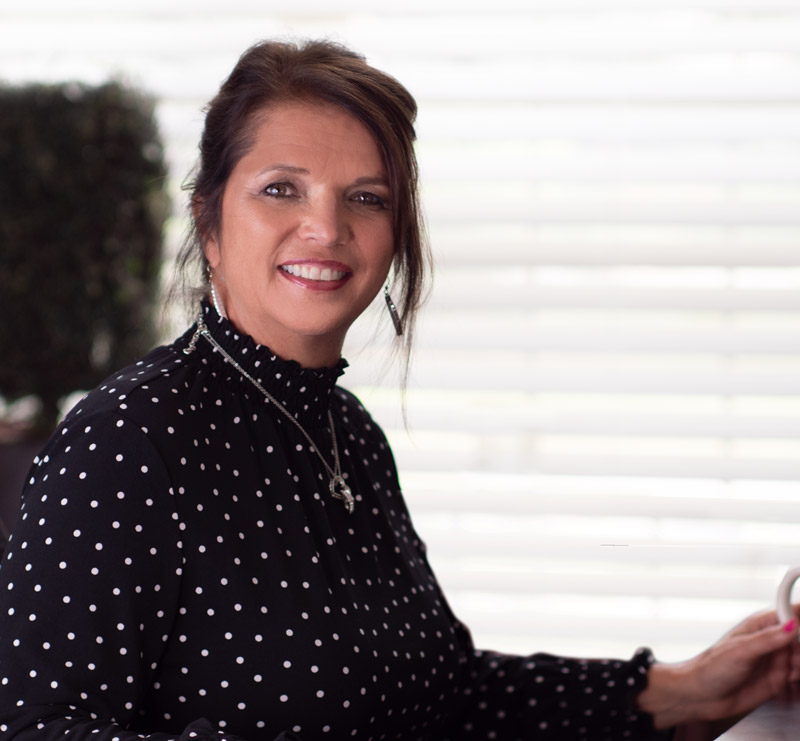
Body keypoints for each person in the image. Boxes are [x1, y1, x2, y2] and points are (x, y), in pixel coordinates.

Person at [0, 39, 798, 741]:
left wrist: (688, 686)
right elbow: (35, 727)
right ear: (209, 221)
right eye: (282, 188)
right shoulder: (127, 442)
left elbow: (445, 700)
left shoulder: (347, 434)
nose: (327, 226)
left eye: (367, 198)